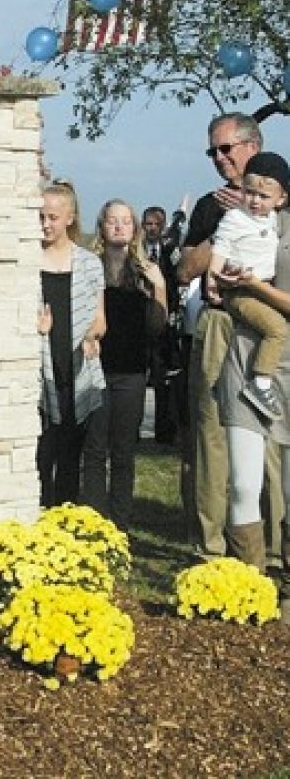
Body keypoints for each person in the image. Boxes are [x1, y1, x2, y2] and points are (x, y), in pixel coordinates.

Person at [176, 113, 285, 561]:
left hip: (271, 325)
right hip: (221, 322)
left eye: (227, 149)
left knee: (274, 440)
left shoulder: (280, 203)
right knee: (212, 432)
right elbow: (184, 270)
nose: (219, 159)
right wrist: (223, 224)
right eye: (212, 152)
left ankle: (277, 551)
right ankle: (213, 548)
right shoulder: (209, 205)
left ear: (253, 146)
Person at [216, 157, 290, 621]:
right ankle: (250, 587)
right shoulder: (237, 216)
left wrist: (253, 286)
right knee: (244, 482)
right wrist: (213, 275)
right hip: (244, 361)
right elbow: (204, 267)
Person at [82, 200, 167, 528]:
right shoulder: (91, 266)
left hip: (131, 372)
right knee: (94, 449)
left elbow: (157, 327)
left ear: (134, 229)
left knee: (123, 452)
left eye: (125, 221)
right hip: (96, 368)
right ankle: (92, 523)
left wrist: (159, 287)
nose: (118, 227)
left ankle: (120, 524)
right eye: (112, 221)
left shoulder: (144, 271)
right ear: (102, 226)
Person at [36, 180, 106, 508]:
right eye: (40, 217)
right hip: (40, 369)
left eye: (51, 217)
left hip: (75, 368)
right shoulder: (28, 261)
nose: (45, 224)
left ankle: (63, 519)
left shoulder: (89, 263)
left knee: (70, 453)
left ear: (69, 217)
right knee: (41, 452)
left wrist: (91, 337)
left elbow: (100, 319)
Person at [208, 152, 290, 421]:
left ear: (281, 200)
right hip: (241, 290)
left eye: (263, 197)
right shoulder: (235, 218)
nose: (255, 201)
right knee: (277, 330)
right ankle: (261, 383)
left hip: (261, 288)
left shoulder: (273, 221)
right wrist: (213, 277)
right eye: (250, 193)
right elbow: (220, 247)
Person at [143, 204, 184, 444]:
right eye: (148, 224)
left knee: (162, 378)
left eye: (156, 225)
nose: (152, 229)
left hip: (165, 319)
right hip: (141, 319)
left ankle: (164, 431)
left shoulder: (169, 251)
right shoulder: (137, 252)